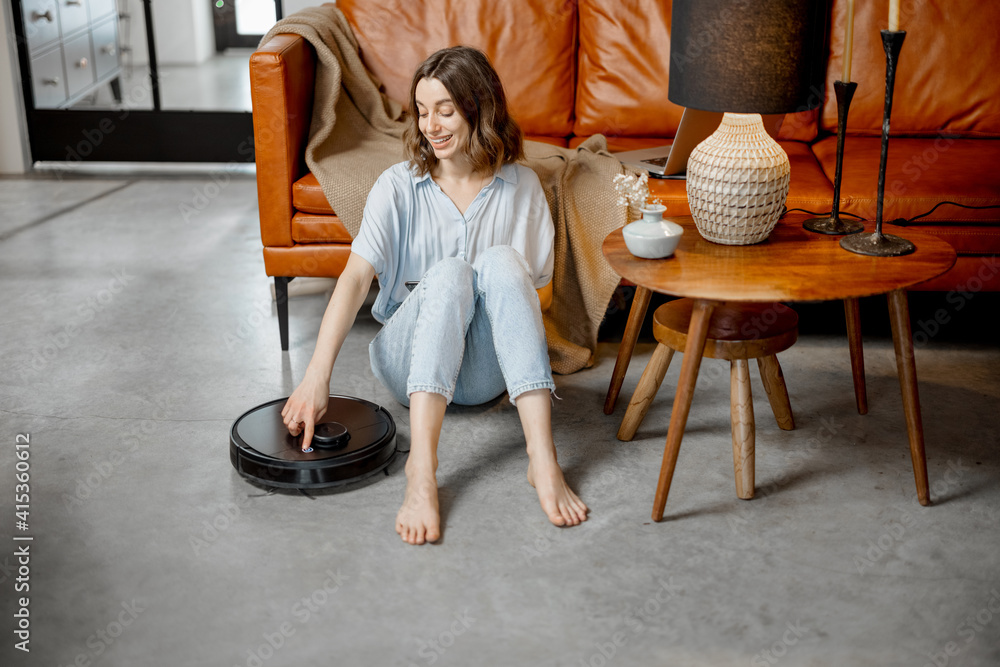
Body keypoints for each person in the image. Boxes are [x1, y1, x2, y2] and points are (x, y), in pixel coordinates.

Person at [281, 46, 588, 545]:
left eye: (445, 110)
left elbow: (539, 298)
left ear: (478, 107)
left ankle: (543, 460)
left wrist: (507, 327)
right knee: (448, 274)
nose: (431, 125)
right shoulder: (397, 186)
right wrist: (317, 378)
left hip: (486, 376)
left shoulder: (524, 186)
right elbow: (356, 278)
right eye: (423, 111)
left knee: (503, 262)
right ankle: (421, 473)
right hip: (408, 363)